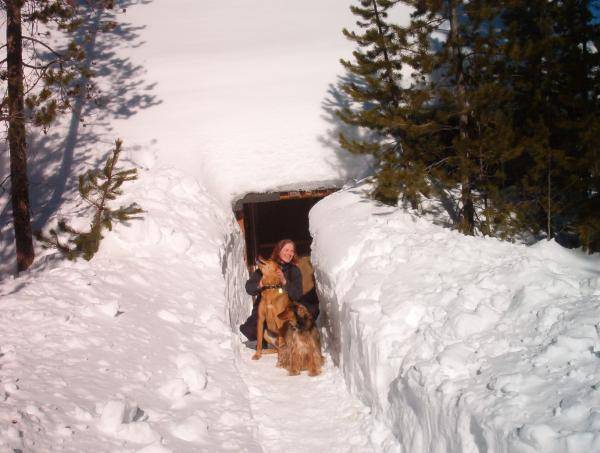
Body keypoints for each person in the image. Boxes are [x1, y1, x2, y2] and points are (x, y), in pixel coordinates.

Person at [239, 239, 303, 343]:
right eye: (286, 250)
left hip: (284, 307)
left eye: (292, 251)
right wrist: (260, 284)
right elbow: (249, 288)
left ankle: (287, 341)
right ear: (279, 250)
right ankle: (259, 338)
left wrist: (284, 281)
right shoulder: (267, 265)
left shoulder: (294, 270)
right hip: (265, 305)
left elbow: (298, 295)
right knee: (256, 318)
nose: (290, 253)